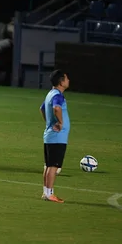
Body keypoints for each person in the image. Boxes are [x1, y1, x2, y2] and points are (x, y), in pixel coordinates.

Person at [39, 69, 71, 203]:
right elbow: (57, 108)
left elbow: (41, 108)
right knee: (54, 166)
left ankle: (46, 192)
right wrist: (60, 122)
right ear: (61, 82)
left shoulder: (50, 94)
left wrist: (49, 122)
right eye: (66, 78)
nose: (68, 80)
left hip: (49, 135)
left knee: (48, 165)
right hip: (57, 137)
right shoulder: (58, 95)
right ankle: (50, 193)